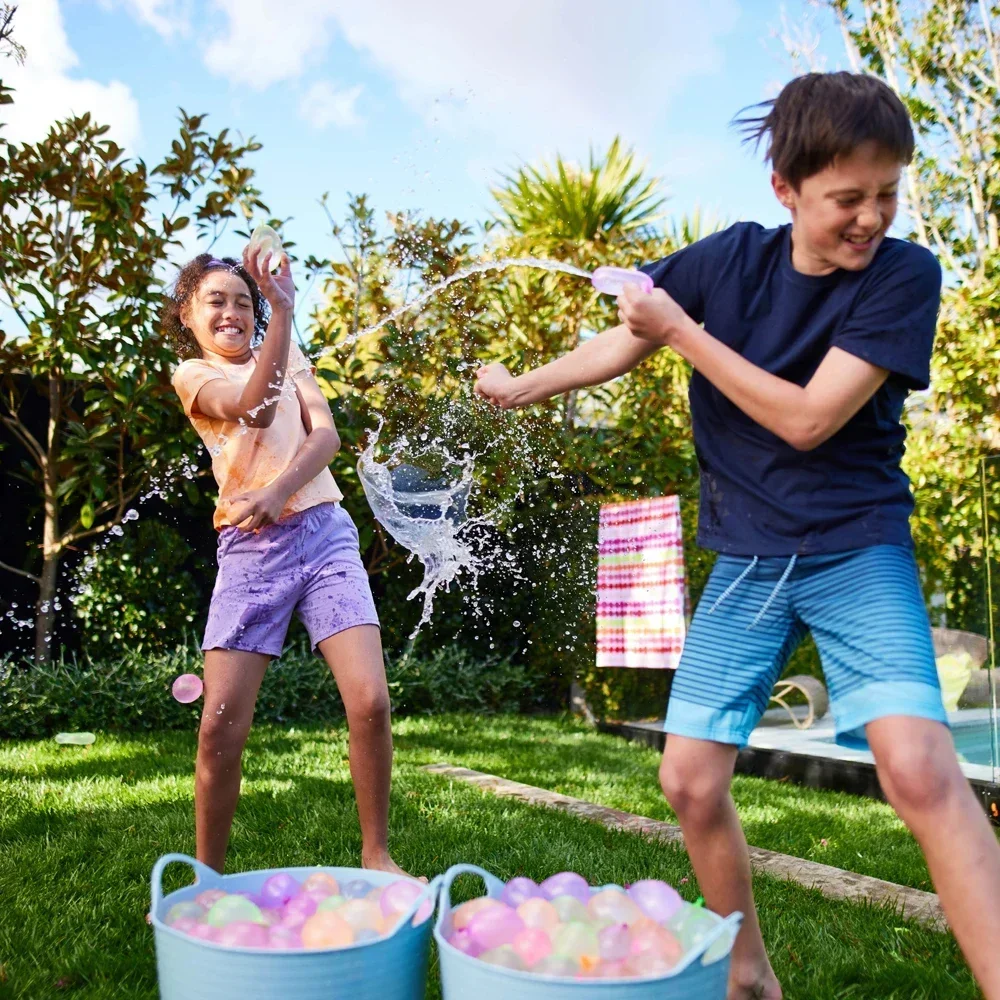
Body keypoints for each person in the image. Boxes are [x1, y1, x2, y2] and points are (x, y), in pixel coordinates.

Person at [475, 71, 1000, 1000]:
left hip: (855, 547)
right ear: (786, 189)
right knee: (687, 779)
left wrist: (680, 329)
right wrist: (525, 386)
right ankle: (748, 970)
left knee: (920, 768)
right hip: (751, 562)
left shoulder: (903, 274)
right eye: (848, 198)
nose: (872, 217)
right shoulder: (728, 261)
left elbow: (807, 419)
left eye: (887, 193)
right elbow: (628, 335)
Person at [164, 246, 411, 878]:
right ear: (187, 314)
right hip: (252, 550)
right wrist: (282, 314)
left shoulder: (286, 347)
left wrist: (279, 490)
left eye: (244, 302)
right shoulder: (194, 375)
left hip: (326, 534)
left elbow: (325, 435)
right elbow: (254, 407)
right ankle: (207, 877)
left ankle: (377, 855)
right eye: (216, 301)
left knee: (371, 701)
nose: (232, 312)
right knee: (220, 725)